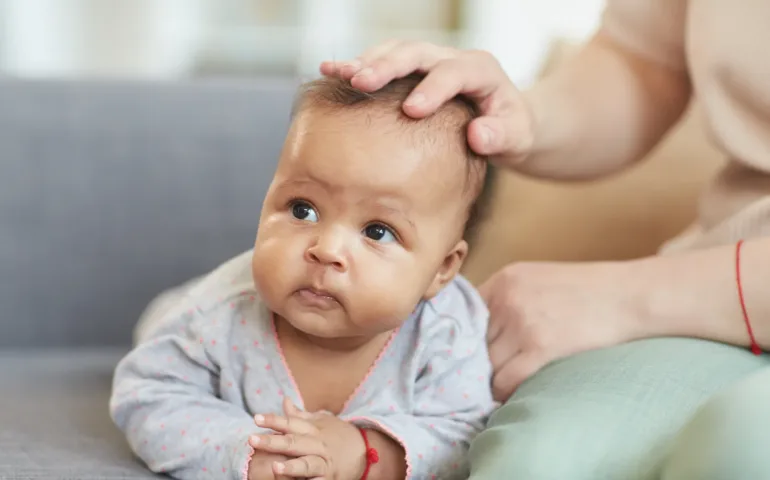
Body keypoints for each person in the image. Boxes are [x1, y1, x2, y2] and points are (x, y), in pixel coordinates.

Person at [320, 1, 770, 479]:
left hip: (710, 296)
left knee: (741, 446)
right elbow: (645, 62)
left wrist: (626, 298)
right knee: (534, 461)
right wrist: (521, 117)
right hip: (716, 299)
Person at [109, 73, 498, 480]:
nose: (326, 249)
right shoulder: (217, 316)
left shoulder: (447, 332)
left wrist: (367, 452)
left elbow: (466, 433)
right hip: (183, 310)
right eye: (302, 209)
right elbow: (147, 395)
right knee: (162, 321)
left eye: (377, 231)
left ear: (442, 269)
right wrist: (254, 453)